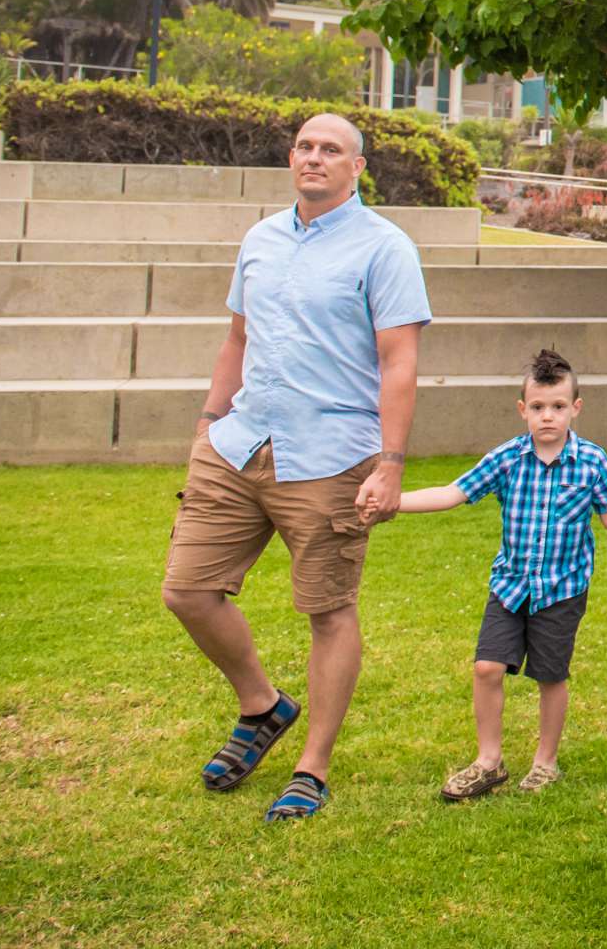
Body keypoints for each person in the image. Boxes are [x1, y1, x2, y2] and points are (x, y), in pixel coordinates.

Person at [159, 113, 431, 821]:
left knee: (328, 610)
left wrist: (391, 464)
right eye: (306, 147)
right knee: (187, 590)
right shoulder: (261, 239)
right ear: (291, 158)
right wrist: (206, 427)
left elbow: (399, 362)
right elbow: (236, 339)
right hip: (239, 441)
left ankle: (311, 766)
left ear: (357, 167)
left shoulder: (385, 248)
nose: (316, 158)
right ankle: (261, 704)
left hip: (332, 456)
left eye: (332, 150)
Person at [379, 348, 607, 799]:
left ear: (575, 409)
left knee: (550, 675)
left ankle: (545, 763)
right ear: (523, 410)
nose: (548, 417)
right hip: (510, 585)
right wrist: (394, 501)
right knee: (486, 667)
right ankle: (489, 761)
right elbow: (453, 492)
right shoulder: (506, 460)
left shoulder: (593, 462)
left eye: (558, 407)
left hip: (562, 590)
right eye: (538, 407)